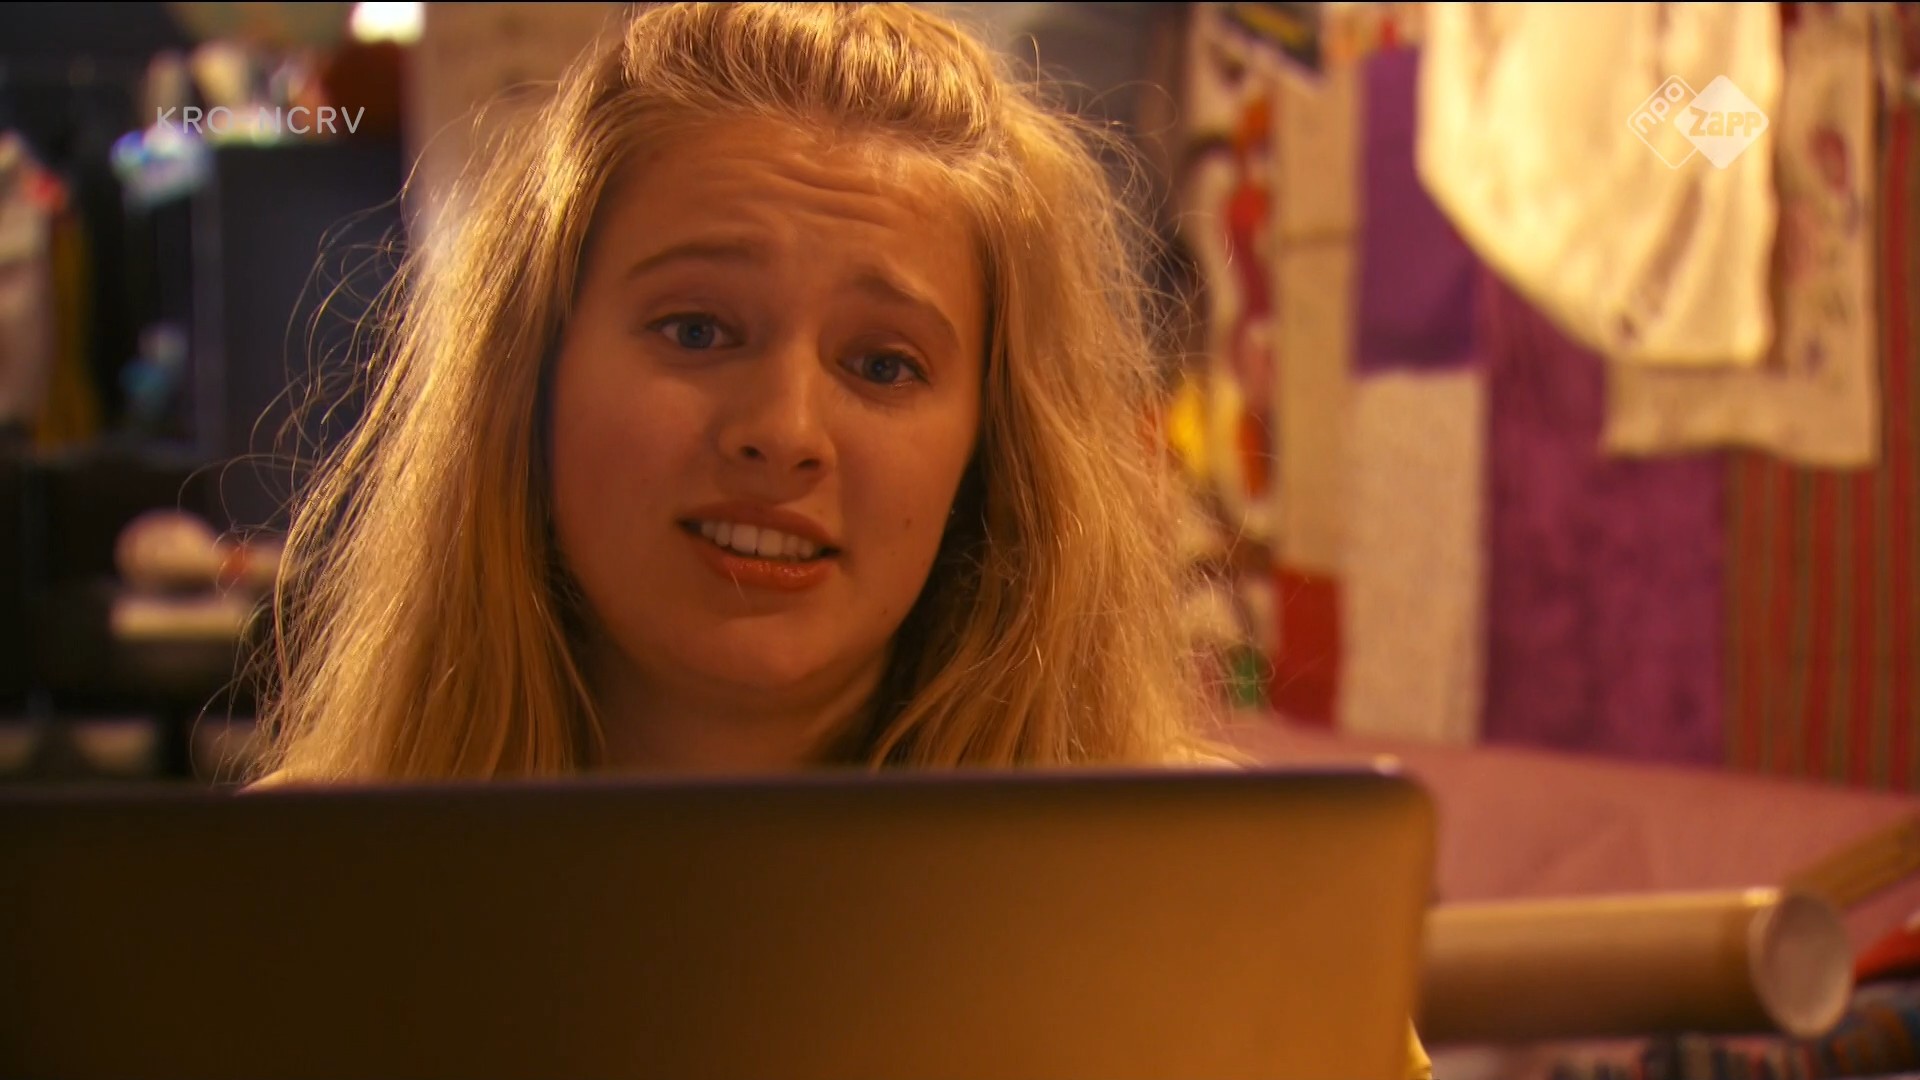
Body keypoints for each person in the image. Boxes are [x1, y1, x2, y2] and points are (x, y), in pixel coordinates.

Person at [244, 4, 1431, 1076]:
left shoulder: (1217, 904)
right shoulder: (276, 894)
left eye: (883, 364)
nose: (784, 432)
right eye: (697, 329)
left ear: (991, 453)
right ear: (532, 380)